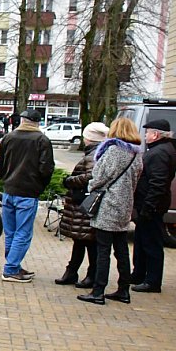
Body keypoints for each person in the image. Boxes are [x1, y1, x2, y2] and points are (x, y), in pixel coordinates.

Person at [77, 117, 143, 305]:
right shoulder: (137, 154)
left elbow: (99, 176)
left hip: (108, 205)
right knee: (121, 250)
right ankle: (124, 290)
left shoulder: (113, 151)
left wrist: (91, 185)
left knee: (103, 249)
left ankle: (98, 291)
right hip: (125, 205)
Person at [0, 108, 54, 282]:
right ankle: (11, 268)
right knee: (23, 233)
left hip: (9, 190)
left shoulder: (9, 137)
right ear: (37, 122)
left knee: (11, 232)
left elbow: (0, 164)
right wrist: (39, 186)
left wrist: (7, 178)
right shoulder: (42, 140)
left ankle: (13, 265)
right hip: (28, 192)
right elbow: (46, 168)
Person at [56, 122, 109, 287]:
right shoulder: (96, 152)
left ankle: (89, 275)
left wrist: (70, 181)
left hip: (85, 203)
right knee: (80, 239)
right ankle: (72, 271)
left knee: (87, 240)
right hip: (81, 204)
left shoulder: (96, 154)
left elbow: (90, 176)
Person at [129, 119, 176, 294]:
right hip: (148, 204)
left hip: (152, 206)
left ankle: (152, 280)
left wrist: (148, 207)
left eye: (147, 133)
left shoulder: (159, 153)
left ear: (156, 134)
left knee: (151, 243)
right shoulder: (161, 150)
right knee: (141, 241)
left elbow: (158, 183)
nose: (145, 136)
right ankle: (139, 273)